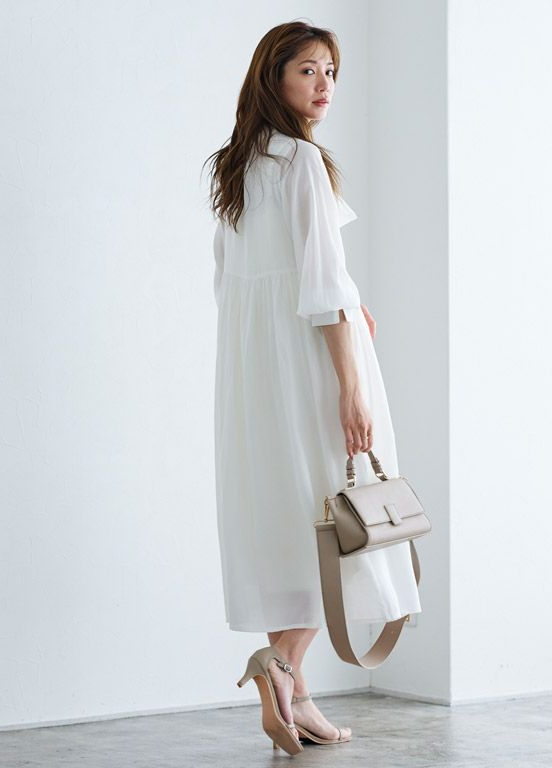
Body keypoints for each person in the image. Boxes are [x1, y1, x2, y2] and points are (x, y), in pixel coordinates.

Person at [203, 20, 422, 754]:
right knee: (333, 516)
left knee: (286, 518)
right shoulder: (301, 161)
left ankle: (292, 689)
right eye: (307, 70)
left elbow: (235, 283)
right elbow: (322, 285)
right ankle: (282, 671)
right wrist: (351, 386)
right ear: (273, 78)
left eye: (331, 70)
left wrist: (348, 301)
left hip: (255, 365)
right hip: (311, 359)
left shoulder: (235, 167)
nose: (324, 85)